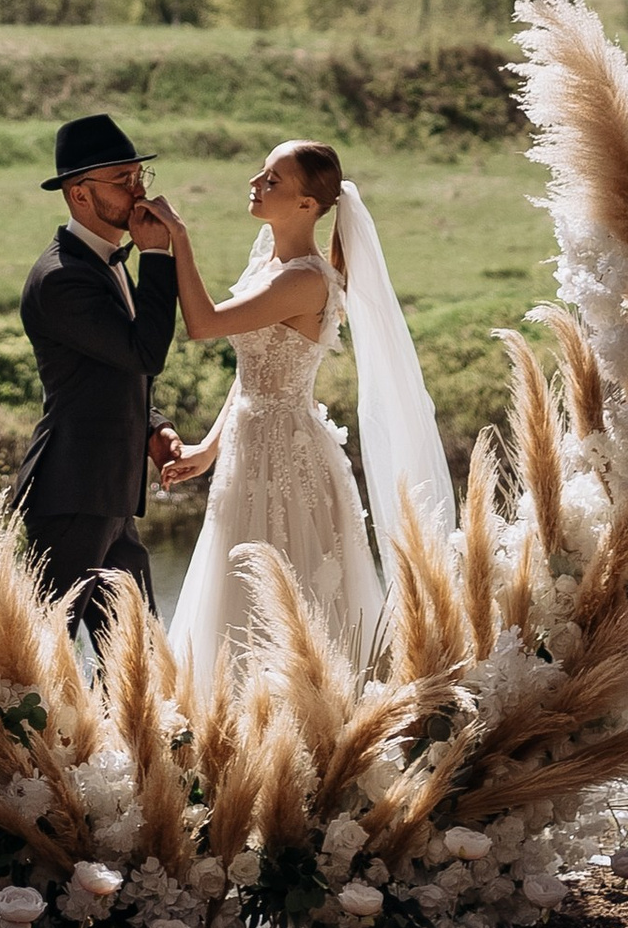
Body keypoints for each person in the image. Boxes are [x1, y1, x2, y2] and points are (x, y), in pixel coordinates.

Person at [144, 141, 455, 683]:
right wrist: (208, 449)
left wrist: (180, 240)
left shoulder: (305, 279)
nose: (255, 183)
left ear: (308, 205)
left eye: (272, 180)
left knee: (294, 593)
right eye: (262, 174)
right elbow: (255, 376)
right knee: (235, 584)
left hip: (288, 460)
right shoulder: (267, 261)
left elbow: (204, 323)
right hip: (248, 445)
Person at [10, 112, 183, 644]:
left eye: (140, 178)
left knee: (137, 662)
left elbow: (104, 370)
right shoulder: (62, 278)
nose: (138, 193)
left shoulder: (102, 260)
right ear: (79, 194)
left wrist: (153, 426)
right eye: (123, 181)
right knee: (35, 659)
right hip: (70, 495)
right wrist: (156, 255)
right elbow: (143, 352)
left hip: (108, 496)